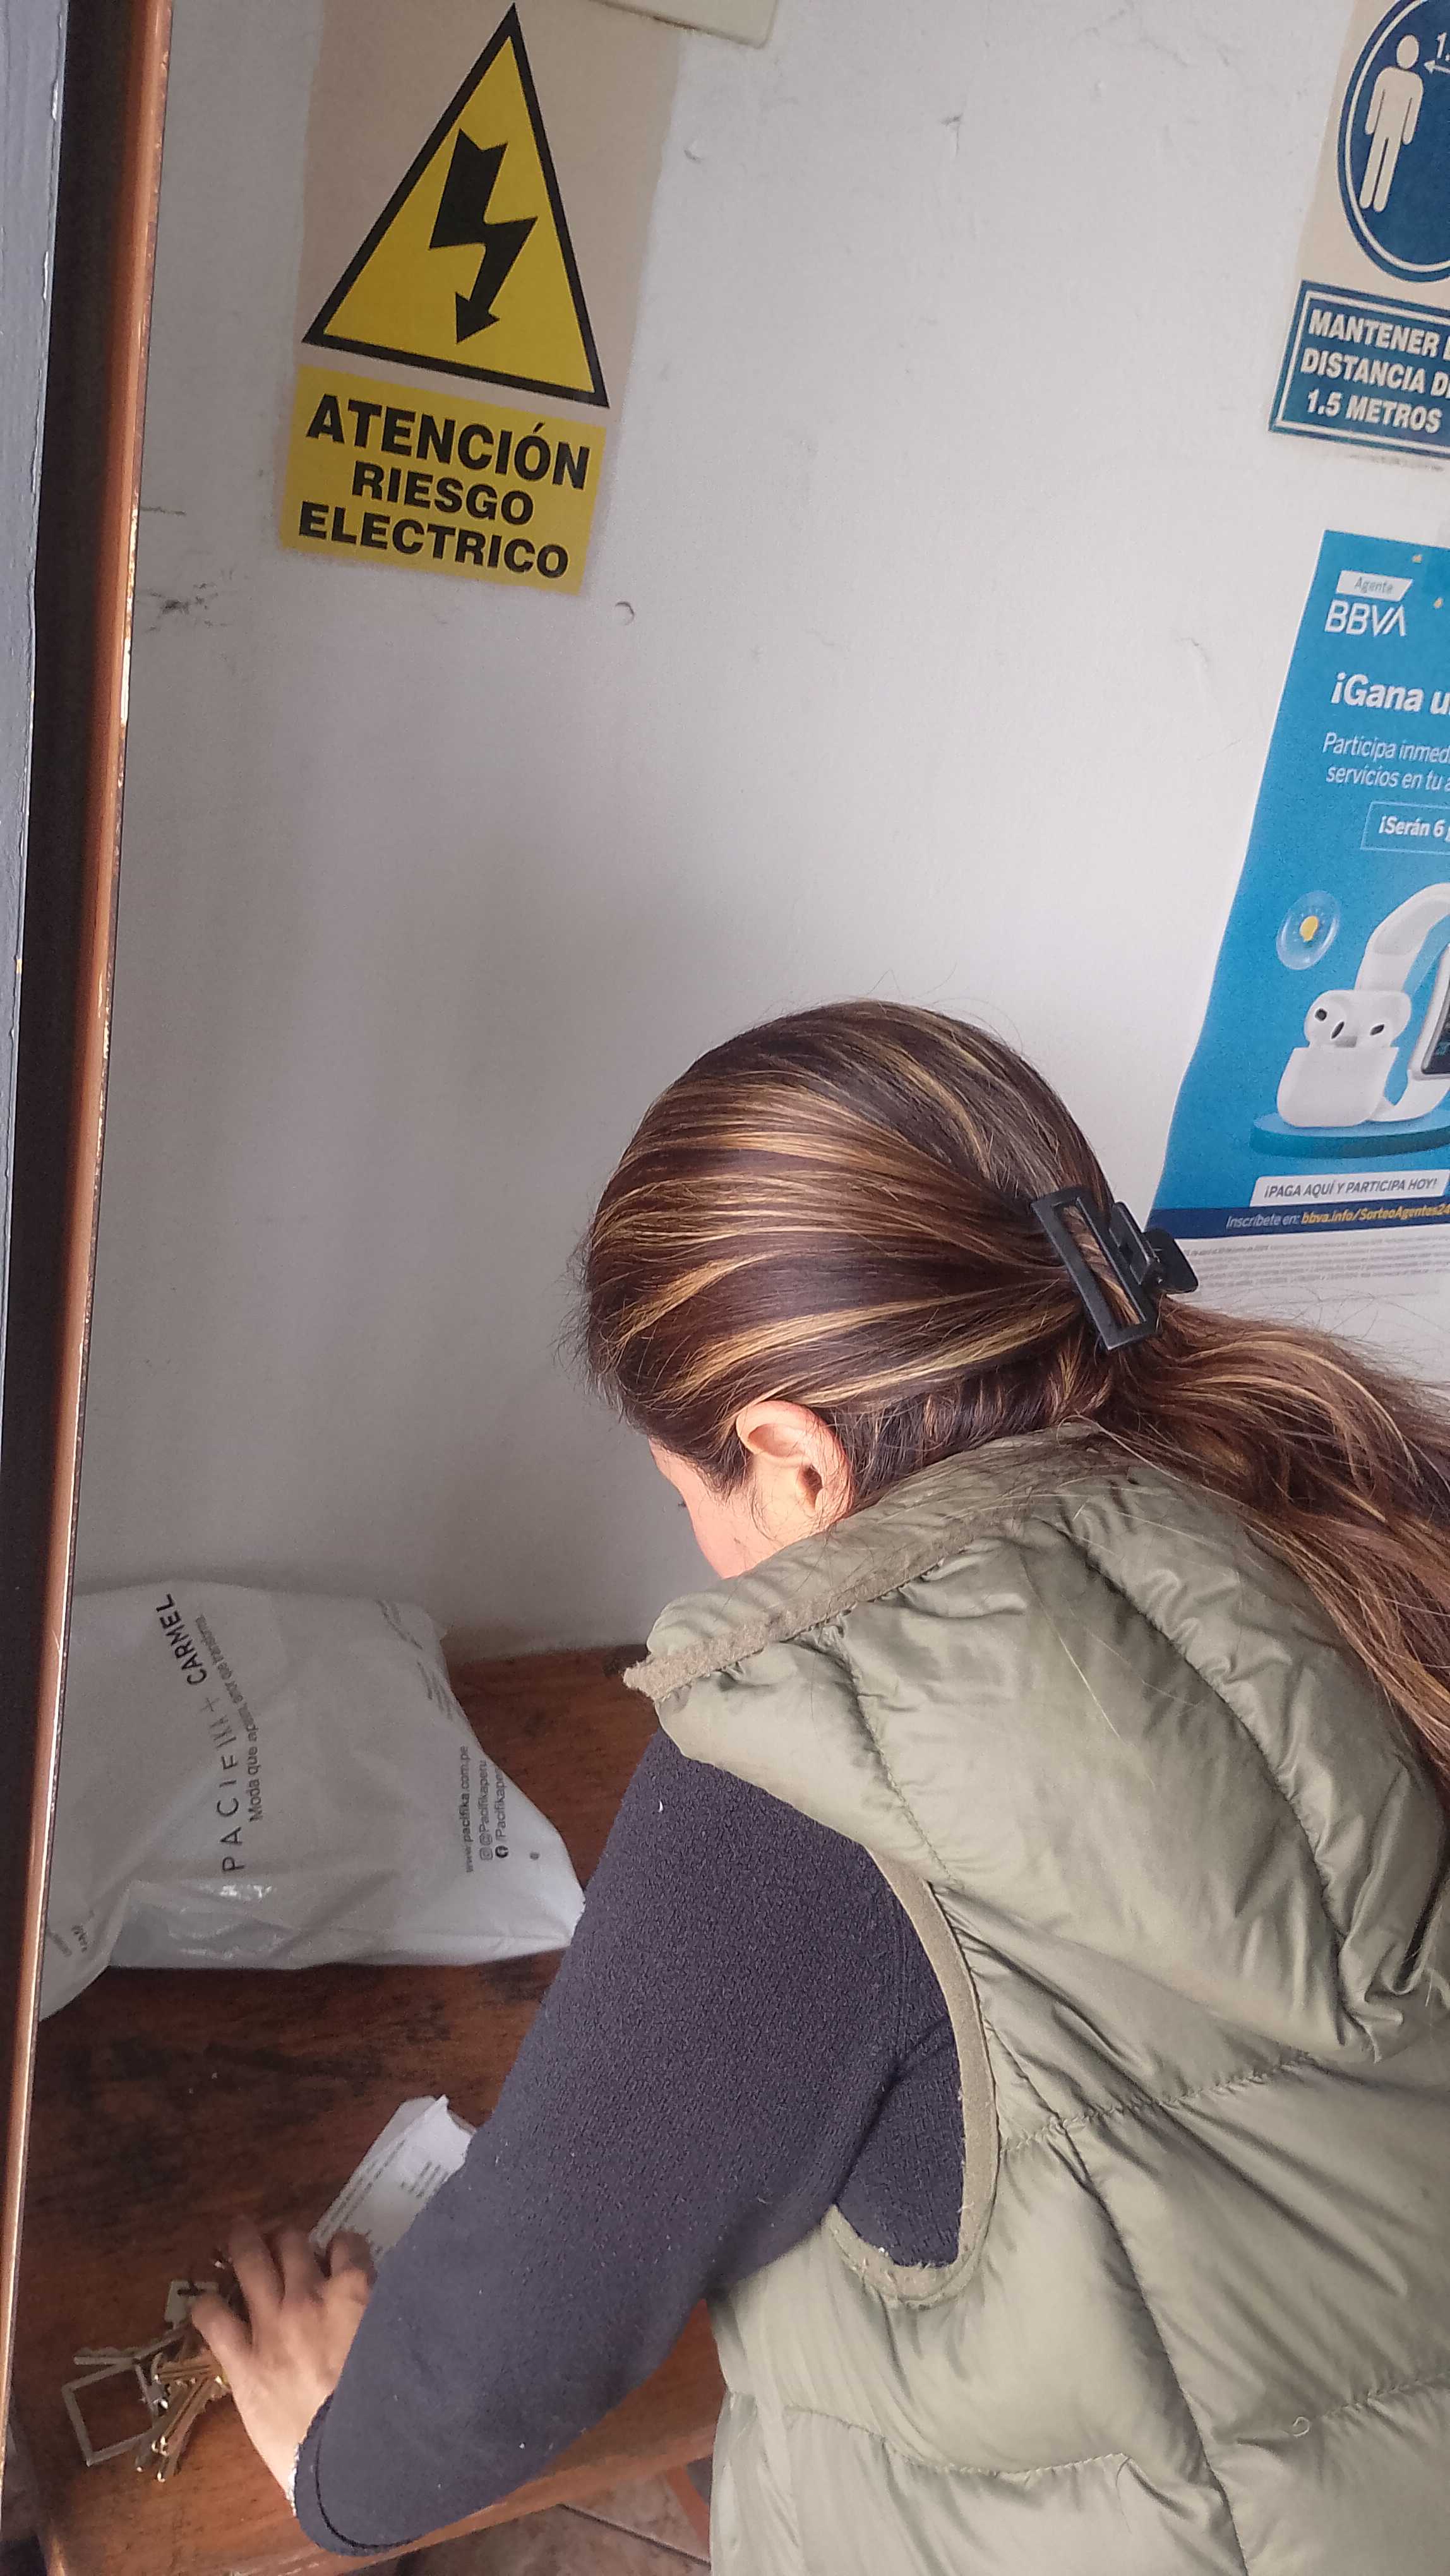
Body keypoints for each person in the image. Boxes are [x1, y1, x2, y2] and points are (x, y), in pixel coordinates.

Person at [196, 1001, 1450, 2573]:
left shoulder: (807, 1788)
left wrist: (335, 2458)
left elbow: (503, 2354)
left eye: (686, 1490)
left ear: (790, 1457)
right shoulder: (1330, 1491)